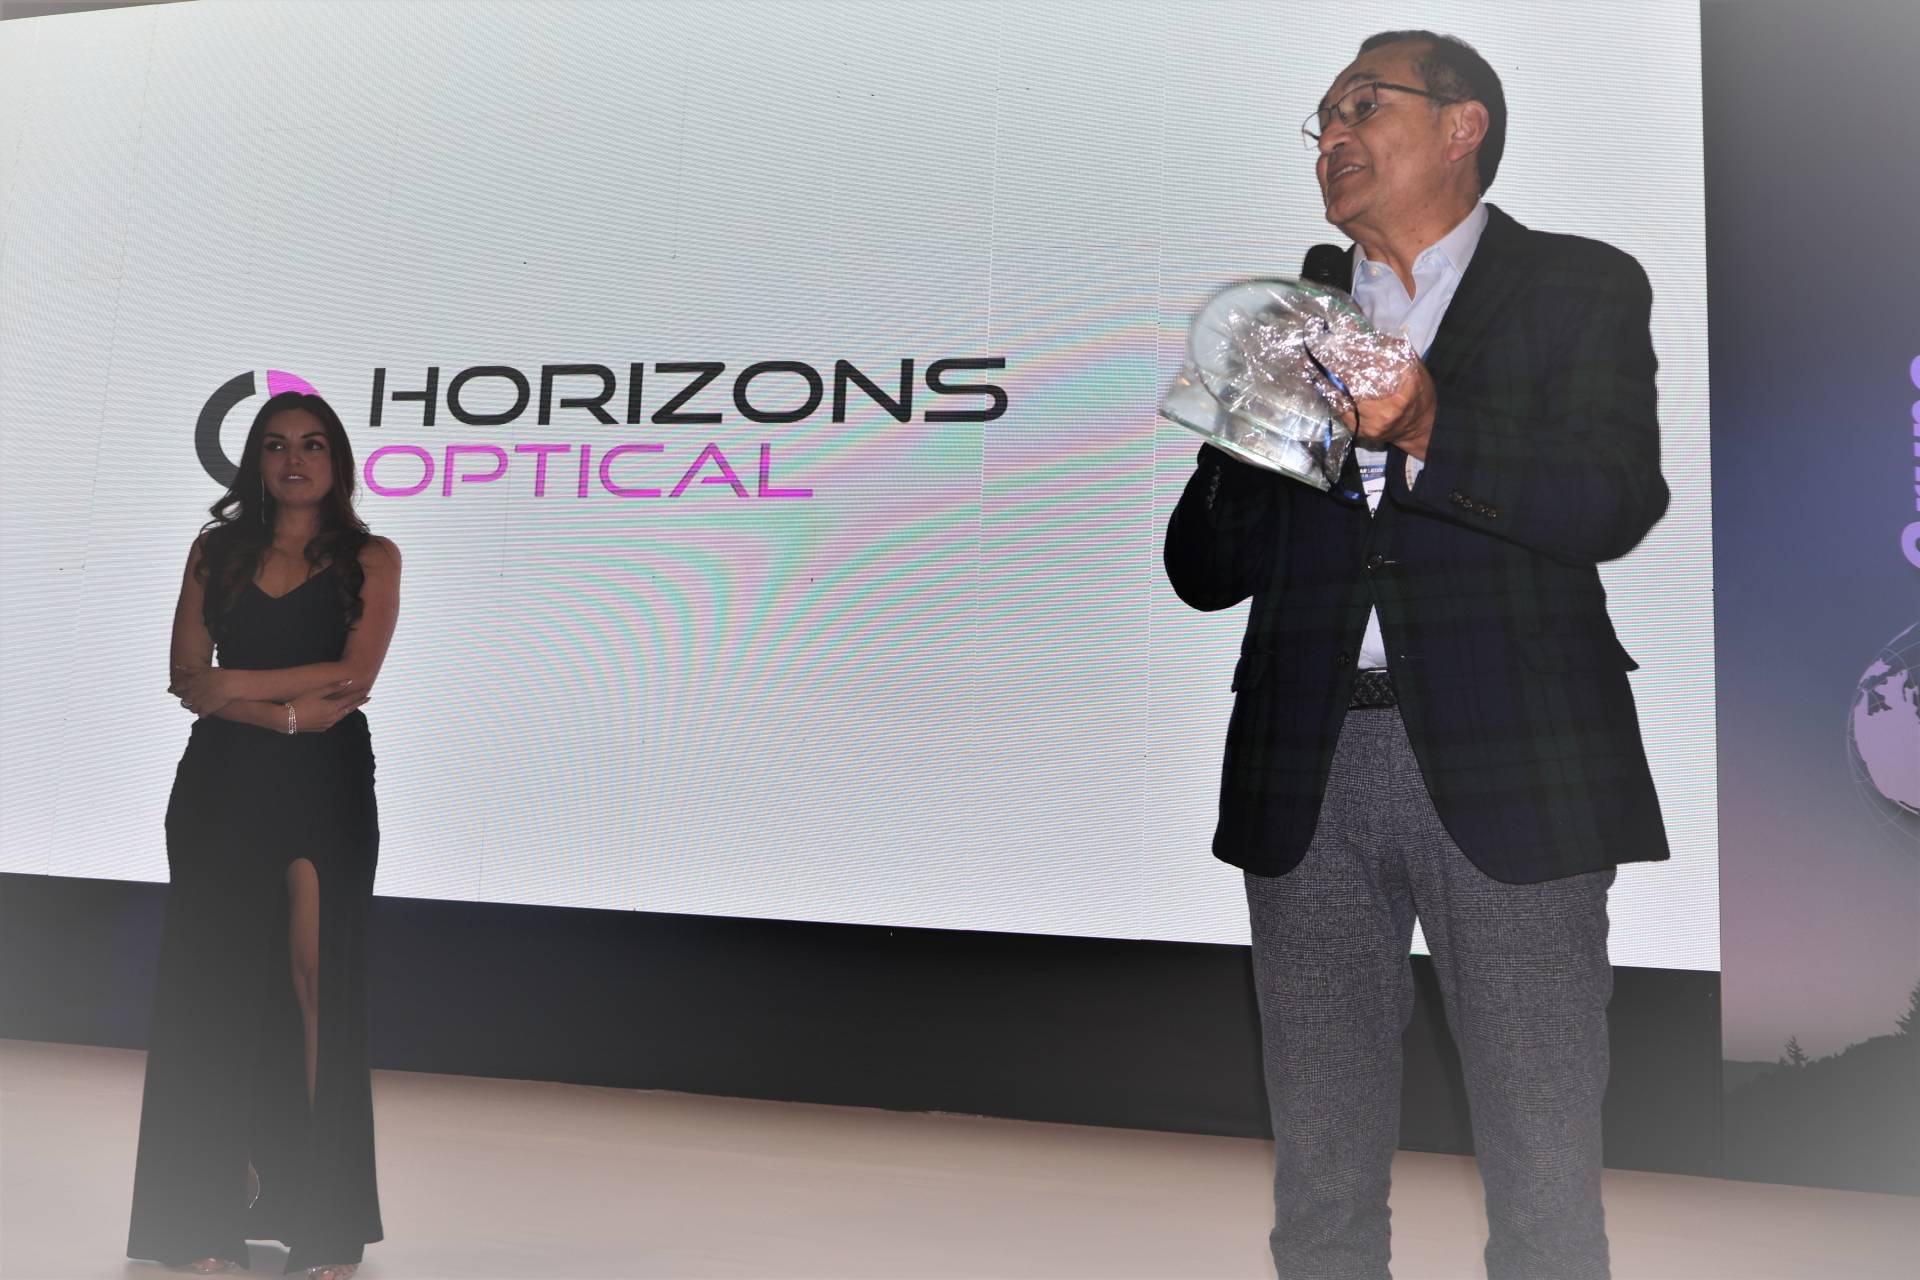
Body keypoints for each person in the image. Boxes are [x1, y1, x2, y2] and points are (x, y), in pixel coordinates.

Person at [1164, 30, 1671, 1280]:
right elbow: (1202, 568)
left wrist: (1434, 425)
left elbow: (1613, 497)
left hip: (1514, 757)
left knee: (1543, 1163)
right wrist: (1250, 424)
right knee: (1321, 1169)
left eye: (1362, 104)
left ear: (1461, 127)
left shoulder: (1577, 284)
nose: (1332, 134)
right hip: (1307, 757)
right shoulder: (1297, 316)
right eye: (1322, 119)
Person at [128, 391, 400, 1280]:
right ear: (255, 460)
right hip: (222, 784)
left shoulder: (372, 557)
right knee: (216, 987)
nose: (295, 460)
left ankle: (325, 1220)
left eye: (313, 444)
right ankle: (204, 1213)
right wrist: (284, 711)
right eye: (277, 445)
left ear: (337, 461)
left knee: (317, 982)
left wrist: (240, 687)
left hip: (325, 783)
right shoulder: (216, 551)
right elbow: (185, 676)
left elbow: (352, 677)